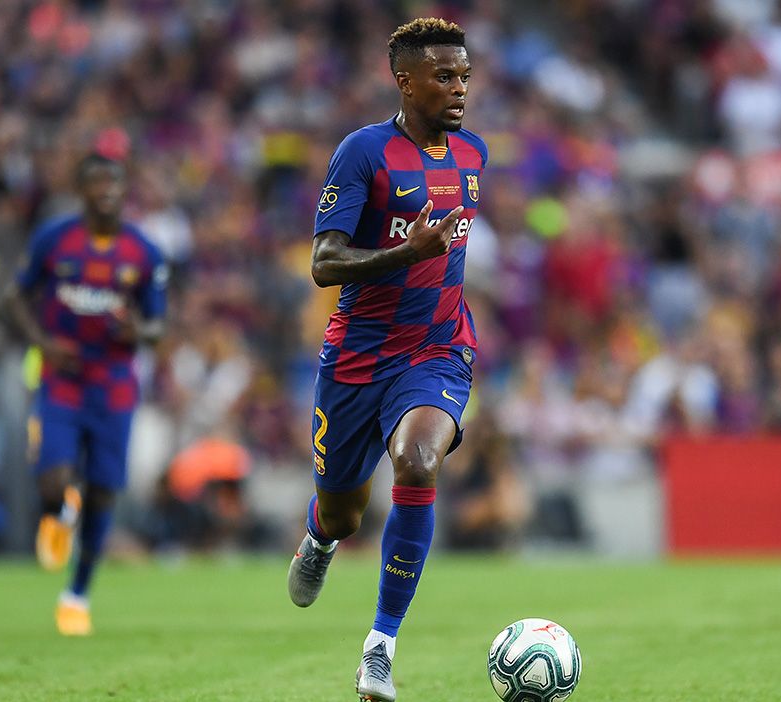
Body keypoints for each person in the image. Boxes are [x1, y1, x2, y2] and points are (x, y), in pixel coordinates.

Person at [285, 18, 485, 701]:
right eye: (443, 76)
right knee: (341, 513)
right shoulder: (363, 153)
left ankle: (379, 647)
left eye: (463, 75)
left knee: (419, 460)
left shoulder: (474, 156)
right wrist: (407, 251)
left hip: (437, 352)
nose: (458, 88)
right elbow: (324, 262)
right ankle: (319, 539)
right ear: (405, 80)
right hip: (357, 359)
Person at [5, 153, 167, 636]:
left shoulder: (144, 253)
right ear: (83, 192)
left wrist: (138, 328)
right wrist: (41, 342)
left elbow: (158, 327)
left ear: (123, 191)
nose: (107, 192)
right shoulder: (55, 240)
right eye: (97, 184)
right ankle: (61, 510)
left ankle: (76, 594)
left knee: (103, 491)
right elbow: (14, 296)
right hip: (62, 377)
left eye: (114, 184)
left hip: (114, 385)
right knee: (52, 479)